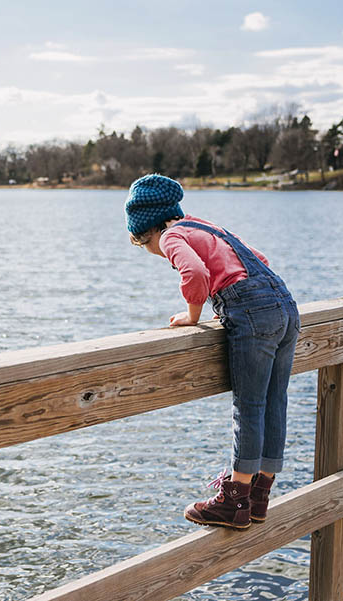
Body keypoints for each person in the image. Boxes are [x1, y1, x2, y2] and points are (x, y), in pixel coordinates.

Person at [124, 174, 299, 530]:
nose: (158, 254)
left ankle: (235, 499)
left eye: (148, 248)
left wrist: (192, 317)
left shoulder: (172, 236)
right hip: (285, 307)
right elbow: (258, 258)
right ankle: (258, 495)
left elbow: (196, 272)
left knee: (249, 406)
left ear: (149, 233)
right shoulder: (204, 225)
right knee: (274, 400)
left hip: (251, 313)